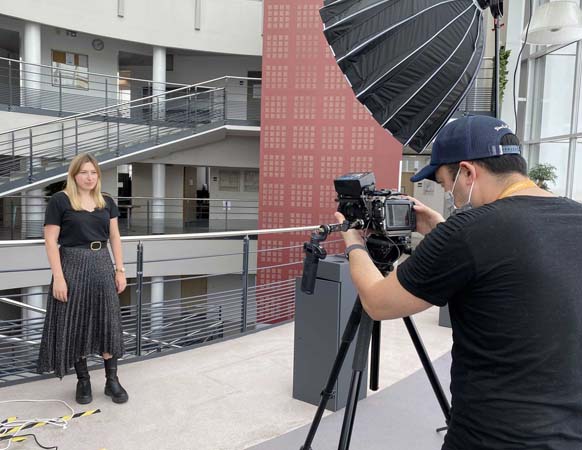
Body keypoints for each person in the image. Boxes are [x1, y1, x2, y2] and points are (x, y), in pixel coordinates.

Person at [335, 116, 582, 449]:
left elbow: (377, 302)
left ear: (467, 172)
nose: (448, 194)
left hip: (490, 438)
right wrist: (439, 227)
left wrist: (353, 242)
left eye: (442, 183)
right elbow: (511, 265)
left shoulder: (468, 229)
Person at [38, 153, 129, 405]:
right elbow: (50, 241)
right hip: (71, 265)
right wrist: (58, 277)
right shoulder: (60, 200)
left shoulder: (107, 201)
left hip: (102, 264)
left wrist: (120, 269)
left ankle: (112, 381)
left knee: (107, 320)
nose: (89, 177)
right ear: (74, 175)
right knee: (75, 322)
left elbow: (115, 237)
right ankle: (84, 381)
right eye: (83, 173)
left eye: (93, 172)